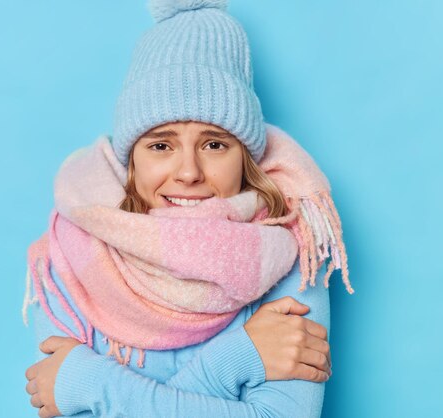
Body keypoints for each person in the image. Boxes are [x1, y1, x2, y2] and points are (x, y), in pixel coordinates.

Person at [22, 1, 354, 417]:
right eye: (161, 145)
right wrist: (243, 356)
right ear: (133, 159)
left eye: (214, 144)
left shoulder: (291, 250)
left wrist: (91, 383)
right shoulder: (73, 252)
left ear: (245, 157)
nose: (189, 173)